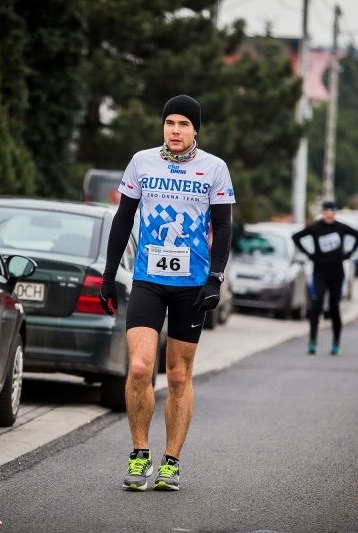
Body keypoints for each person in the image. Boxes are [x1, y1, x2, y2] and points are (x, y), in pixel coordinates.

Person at [99, 94, 234, 492]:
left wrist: (215, 279)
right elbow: (124, 218)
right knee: (140, 367)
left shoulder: (214, 169)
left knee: (177, 375)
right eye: (169, 123)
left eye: (183, 124)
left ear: (195, 130)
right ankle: (140, 454)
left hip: (192, 286)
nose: (175, 130)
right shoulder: (142, 162)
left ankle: (171, 461)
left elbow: (224, 228)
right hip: (148, 280)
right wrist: (110, 274)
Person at [292, 200, 358, 355]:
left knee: (334, 308)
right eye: (326, 211)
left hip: (337, 273)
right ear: (322, 213)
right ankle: (312, 341)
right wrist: (310, 254)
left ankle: (336, 342)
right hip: (320, 272)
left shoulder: (341, 228)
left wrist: (349, 253)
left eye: (331, 211)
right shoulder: (316, 227)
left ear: (335, 212)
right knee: (316, 306)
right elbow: (296, 237)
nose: (329, 214)